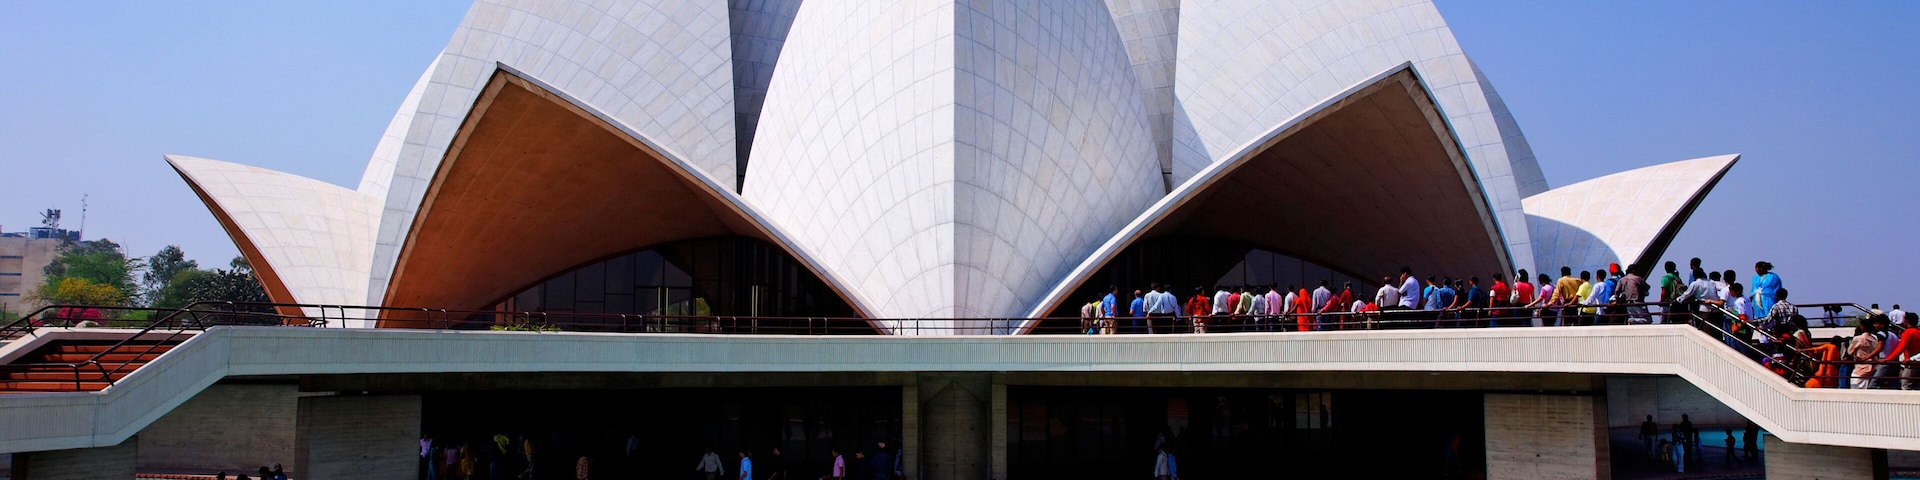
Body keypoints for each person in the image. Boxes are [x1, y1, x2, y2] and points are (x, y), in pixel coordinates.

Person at [1883, 311, 1920, 390]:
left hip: (1910, 364)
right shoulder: (1918, 332)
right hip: (1917, 363)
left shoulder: (1907, 333)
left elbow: (1901, 347)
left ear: (1906, 321)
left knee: (1906, 386)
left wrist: (1888, 359)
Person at [1849, 321, 1883, 389]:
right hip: (1873, 368)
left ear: (1863, 327)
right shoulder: (1875, 339)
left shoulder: (1858, 338)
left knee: (1855, 388)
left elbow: (1850, 352)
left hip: (1860, 368)